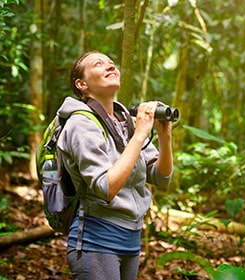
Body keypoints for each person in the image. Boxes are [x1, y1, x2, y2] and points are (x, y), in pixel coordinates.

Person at [56, 50, 173, 279]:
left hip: (131, 241)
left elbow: (161, 177)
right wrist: (140, 134)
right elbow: (105, 187)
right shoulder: (80, 123)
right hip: (96, 242)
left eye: (111, 63)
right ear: (82, 84)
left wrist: (164, 136)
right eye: (99, 64)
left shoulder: (126, 121)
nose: (110, 66)